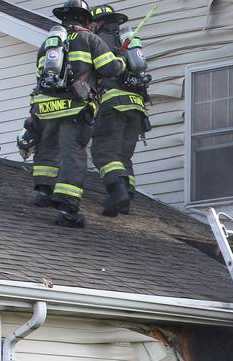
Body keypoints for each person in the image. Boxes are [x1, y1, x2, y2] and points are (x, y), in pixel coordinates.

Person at [29, 0, 123, 227]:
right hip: (75, 105)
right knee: (73, 153)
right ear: (87, 21)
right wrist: (120, 59)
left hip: (45, 106)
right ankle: (68, 207)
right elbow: (110, 69)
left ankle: (43, 192)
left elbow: (40, 77)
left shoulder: (48, 44)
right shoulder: (89, 39)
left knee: (48, 147)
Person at [89, 4, 150, 216]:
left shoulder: (98, 42)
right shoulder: (129, 43)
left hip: (112, 104)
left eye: (93, 24)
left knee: (104, 153)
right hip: (136, 107)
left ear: (99, 23)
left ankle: (118, 192)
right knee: (123, 156)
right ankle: (126, 198)